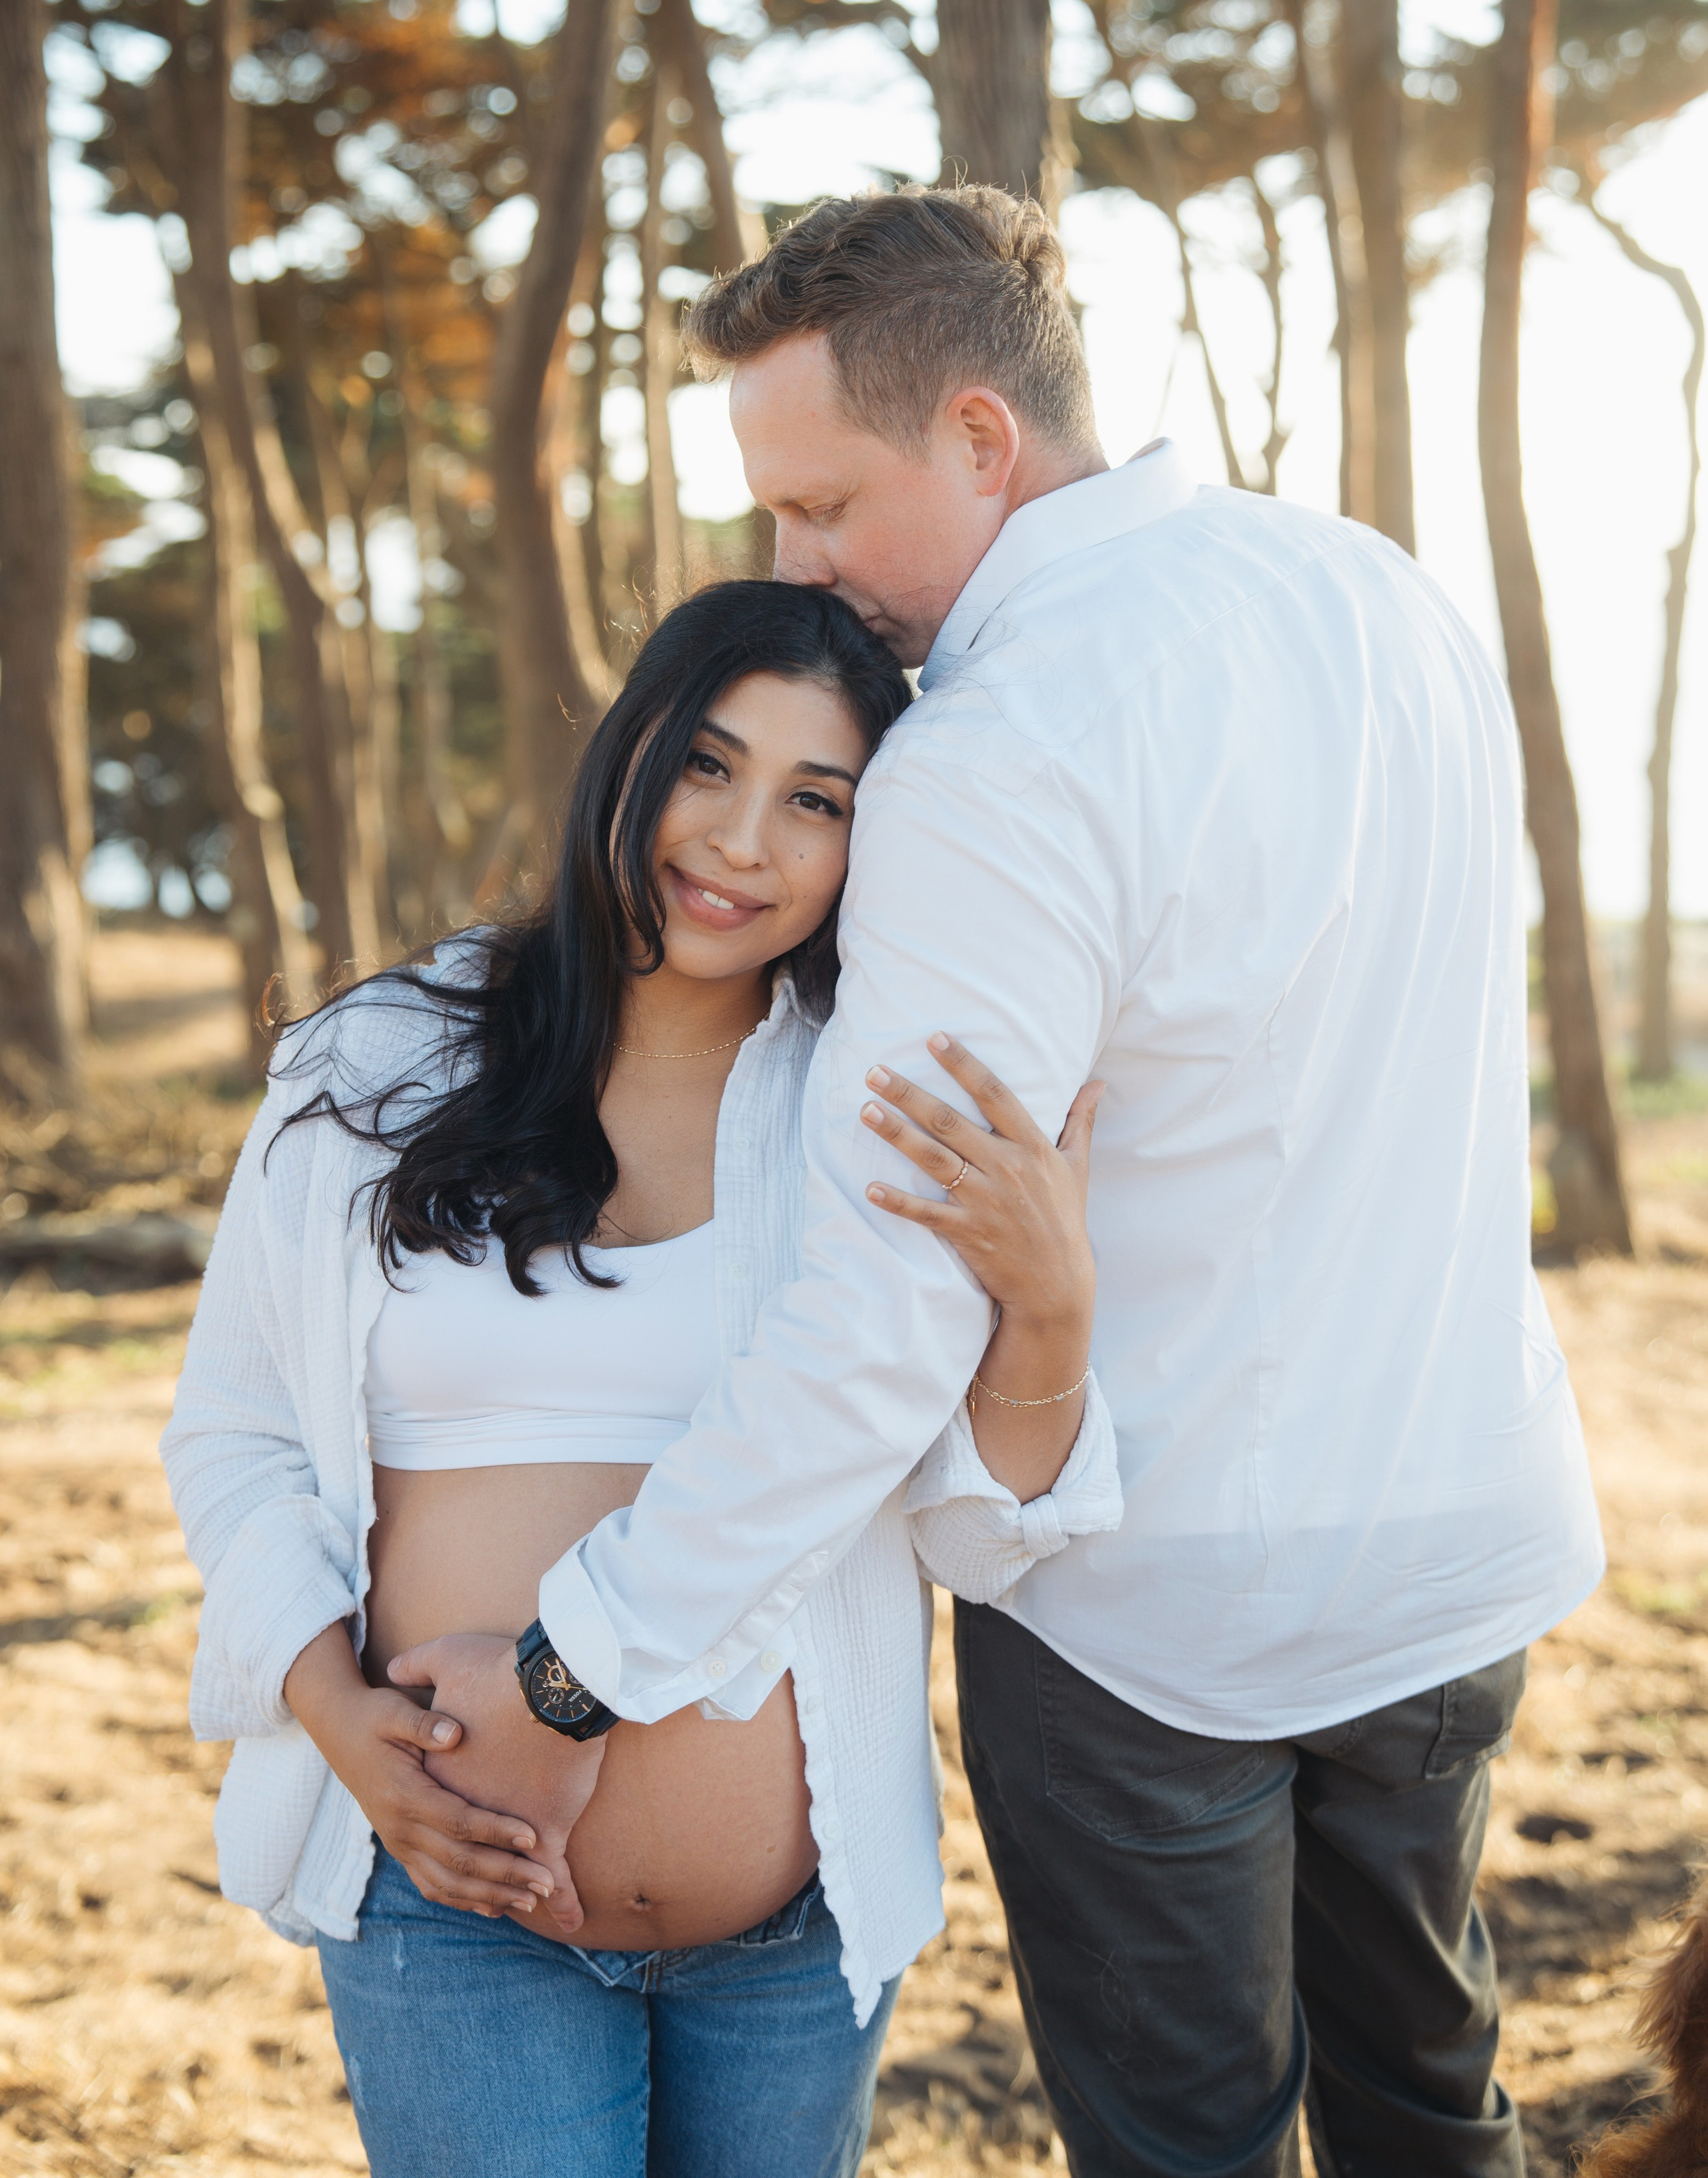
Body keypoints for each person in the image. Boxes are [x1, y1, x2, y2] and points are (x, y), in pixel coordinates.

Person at [401, 184, 1606, 2178]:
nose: (794, 565)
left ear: (980, 436)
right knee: (1431, 2113)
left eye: (818, 507)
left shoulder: (996, 748)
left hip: (1156, 1609)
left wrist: (579, 1661)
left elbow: (882, 1315)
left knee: (1186, 2151)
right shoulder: (1384, 592)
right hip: (1460, 1533)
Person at [160, 581, 1122, 2178]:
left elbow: (978, 1533)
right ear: (629, 751)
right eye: (707, 766)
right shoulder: (376, 1062)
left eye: (814, 803)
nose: (742, 841)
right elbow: (237, 1433)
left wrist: (1052, 1312)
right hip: (452, 1904)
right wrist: (335, 1717)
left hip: (787, 1948)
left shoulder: (866, 1108)